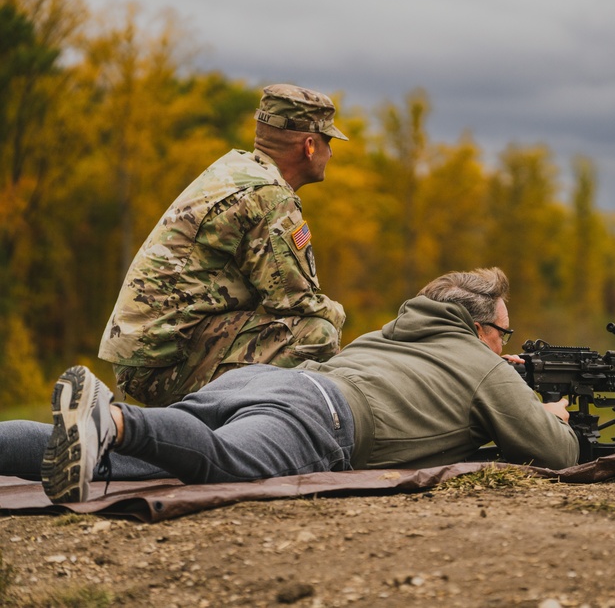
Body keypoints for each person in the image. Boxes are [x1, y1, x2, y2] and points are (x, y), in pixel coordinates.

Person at [5, 268, 578, 504]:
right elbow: (555, 453)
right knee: (225, 460)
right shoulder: (483, 365)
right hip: (320, 417)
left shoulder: (390, 335)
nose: (508, 343)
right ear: (480, 329)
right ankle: (115, 417)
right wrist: (550, 415)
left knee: (126, 464)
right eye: (505, 331)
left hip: (267, 382)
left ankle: (84, 432)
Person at [99, 84, 349, 407]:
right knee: (318, 335)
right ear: (310, 146)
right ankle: (237, 433)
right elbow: (296, 303)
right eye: (329, 141)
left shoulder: (235, 170)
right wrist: (340, 316)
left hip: (150, 353)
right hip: (163, 363)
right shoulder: (269, 195)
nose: (332, 152)